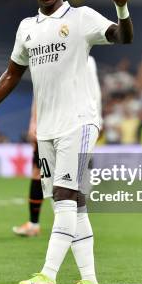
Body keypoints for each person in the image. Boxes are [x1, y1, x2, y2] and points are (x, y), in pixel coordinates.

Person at [0, 0, 133, 284]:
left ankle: (48, 274)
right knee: (74, 203)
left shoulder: (82, 18)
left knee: (64, 195)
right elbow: (12, 73)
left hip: (80, 122)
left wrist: (122, 9)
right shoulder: (27, 28)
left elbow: (122, 37)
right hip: (47, 130)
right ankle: (90, 282)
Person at [12, 55, 103, 238]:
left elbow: (94, 95)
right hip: (48, 125)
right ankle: (38, 223)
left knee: (65, 176)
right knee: (41, 172)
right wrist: (34, 122)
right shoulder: (49, 56)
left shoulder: (85, 60)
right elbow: (41, 93)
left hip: (72, 126)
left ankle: (66, 224)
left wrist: (95, 121)